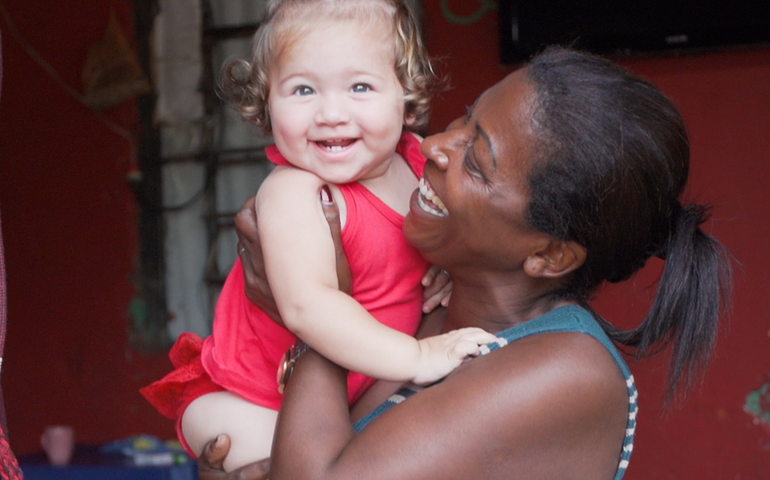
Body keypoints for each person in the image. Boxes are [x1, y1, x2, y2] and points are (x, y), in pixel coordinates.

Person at [197, 46, 733, 480]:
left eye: (475, 164)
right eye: (466, 117)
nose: (433, 146)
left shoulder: (567, 371)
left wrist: (313, 311)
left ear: (549, 255)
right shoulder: (428, 313)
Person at [140, 0, 497, 472]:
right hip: (254, 398)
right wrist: (416, 357)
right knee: (300, 464)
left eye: (360, 87)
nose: (331, 112)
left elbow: (448, 243)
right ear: (266, 102)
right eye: (303, 89)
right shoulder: (294, 192)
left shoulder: (417, 167)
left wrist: (447, 270)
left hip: (355, 393)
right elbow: (308, 306)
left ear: (405, 96)